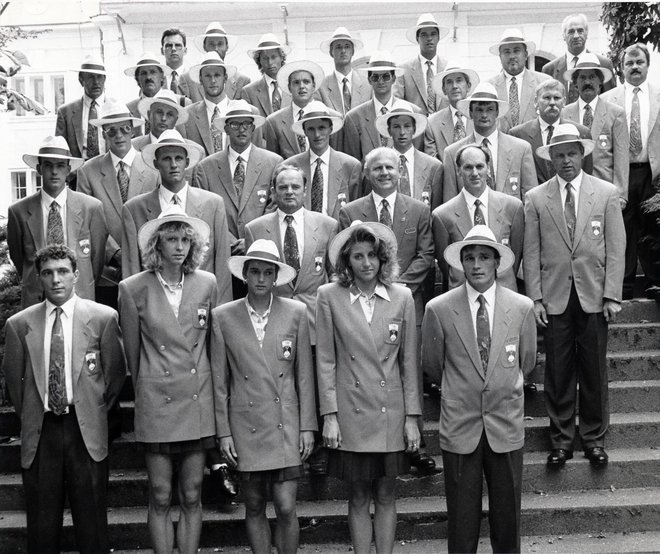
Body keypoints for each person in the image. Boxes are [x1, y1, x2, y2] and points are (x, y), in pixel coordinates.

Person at [3, 244, 126, 554]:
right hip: (41, 430)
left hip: (85, 428)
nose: (55, 280)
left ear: (76, 275)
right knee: (42, 526)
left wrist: (93, 408)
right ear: (39, 278)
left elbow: (113, 377)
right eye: (47, 273)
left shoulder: (103, 318)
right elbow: (16, 387)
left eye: (62, 272)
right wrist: (34, 412)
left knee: (93, 524)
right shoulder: (20, 325)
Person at [422, 225, 537, 553]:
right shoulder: (440, 309)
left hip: (505, 421)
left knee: (508, 518)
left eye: (484, 257)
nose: (476, 264)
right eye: (469, 257)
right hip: (461, 424)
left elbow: (526, 361)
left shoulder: (521, 307)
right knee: (461, 521)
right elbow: (433, 364)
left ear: (497, 262)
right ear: (459, 262)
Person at [523, 124, 625, 467]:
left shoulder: (606, 192)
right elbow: (531, 251)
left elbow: (616, 247)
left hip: (594, 295)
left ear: (583, 154)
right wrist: (536, 298)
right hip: (555, 297)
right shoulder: (536, 198)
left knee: (594, 369)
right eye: (559, 154)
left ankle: (593, 437)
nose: (566, 160)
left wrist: (612, 295)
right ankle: (562, 439)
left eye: (572, 153)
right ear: (550, 157)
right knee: (558, 371)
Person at [316, 221, 421, 554]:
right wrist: (329, 415)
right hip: (351, 411)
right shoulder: (329, 297)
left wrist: (412, 418)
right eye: (358, 256)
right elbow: (326, 361)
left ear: (383, 258)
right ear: (347, 261)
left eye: (372, 255)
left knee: (387, 494)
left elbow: (409, 363)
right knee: (359, 494)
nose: (366, 263)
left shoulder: (402, 297)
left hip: (390, 412)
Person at [119, 206, 217, 554]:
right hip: (157, 402)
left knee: (191, 492)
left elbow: (212, 345)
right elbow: (133, 354)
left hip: (196, 399)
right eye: (171, 239)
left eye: (185, 240)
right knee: (160, 493)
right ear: (156, 246)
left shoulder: (207, 283)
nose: (179, 247)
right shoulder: (133, 288)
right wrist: (151, 385)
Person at [212, 239, 316, 554]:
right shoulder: (223, 316)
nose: (260, 279)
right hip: (246, 423)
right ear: (245, 275)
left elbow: (304, 375)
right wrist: (224, 432)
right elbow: (220, 380)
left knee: (285, 506)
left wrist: (307, 426)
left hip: (285, 421)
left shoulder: (296, 312)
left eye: (267, 272)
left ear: (275, 277)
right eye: (254, 271)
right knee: (254, 504)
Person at [338, 147, 434, 474]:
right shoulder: (351, 212)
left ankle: (416, 443)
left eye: (390, 168)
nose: (384, 173)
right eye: (376, 168)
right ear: (367, 173)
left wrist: (393, 285)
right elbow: (346, 258)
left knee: (408, 366)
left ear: (400, 171)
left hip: (406, 302)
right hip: (361, 304)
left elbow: (425, 254)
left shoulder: (419, 210)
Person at [245, 164, 338, 474]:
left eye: (295, 187)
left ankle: (318, 449)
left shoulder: (326, 225)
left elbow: (333, 274)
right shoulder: (256, 228)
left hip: (315, 316)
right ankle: (284, 444)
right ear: (273, 191)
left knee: (314, 380)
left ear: (304, 189)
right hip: (275, 315)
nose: (288, 192)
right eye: (282, 187)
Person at [121, 129, 232, 304]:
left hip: (200, 306)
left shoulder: (212, 204)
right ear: (156, 163)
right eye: (166, 158)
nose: (173, 165)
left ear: (187, 162)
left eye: (178, 158)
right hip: (155, 308)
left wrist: (220, 314)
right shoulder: (135, 209)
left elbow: (222, 268)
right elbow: (131, 270)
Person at [8, 135, 107, 308]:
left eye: (60, 166)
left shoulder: (91, 208)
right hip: (37, 300)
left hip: (80, 298)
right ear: (39, 169)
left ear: (69, 170)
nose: (54, 172)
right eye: (48, 165)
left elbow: (96, 260)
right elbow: (19, 259)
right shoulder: (19, 212)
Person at [77, 99, 158, 308]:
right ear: (103, 133)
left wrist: (138, 254)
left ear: (132, 130)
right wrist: (116, 255)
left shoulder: (153, 168)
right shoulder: (88, 171)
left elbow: (159, 216)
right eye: (111, 131)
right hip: (108, 273)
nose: (119, 135)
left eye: (124, 128)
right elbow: (86, 223)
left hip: (147, 265)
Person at [601, 42, 660, 300]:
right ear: (621, 68)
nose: (635, 67)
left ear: (648, 65)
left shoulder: (659, 95)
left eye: (640, 62)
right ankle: (623, 288)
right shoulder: (608, 100)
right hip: (621, 173)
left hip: (652, 173)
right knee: (622, 228)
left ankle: (654, 283)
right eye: (629, 63)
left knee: (651, 227)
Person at [193, 99, 283, 261]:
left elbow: (275, 207)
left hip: (262, 252)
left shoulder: (273, 163)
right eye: (235, 124)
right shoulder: (206, 168)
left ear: (253, 128)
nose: (241, 129)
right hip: (222, 253)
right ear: (226, 128)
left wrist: (251, 239)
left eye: (247, 124)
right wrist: (232, 243)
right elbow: (203, 213)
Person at [432, 144, 523, 292]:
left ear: (488, 168)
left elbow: (515, 255)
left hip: (504, 293)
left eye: (479, 166)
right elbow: (446, 263)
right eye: (468, 167)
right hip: (461, 294)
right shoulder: (442, 215)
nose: (474, 173)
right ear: (458, 171)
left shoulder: (512, 207)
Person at [442, 82, 537, 202]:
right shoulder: (453, 153)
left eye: (490, 109)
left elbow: (530, 200)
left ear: (497, 112)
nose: (484, 115)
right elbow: (450, 204)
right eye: (479, 110)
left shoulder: (521, 149)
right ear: (470, 113)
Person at [561, 53, 629, 205]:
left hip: (605, 189)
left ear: (600, 82)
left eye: (592, 77)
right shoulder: (564, 114)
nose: (587, 82)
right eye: (582, 78)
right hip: (573, 190)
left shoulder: (616, 113)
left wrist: (621, 194)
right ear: (575, 83)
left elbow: (621, 157)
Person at [341, 51, 422, 162]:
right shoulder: (354, 117)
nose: (381, 81)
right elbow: (353, 164)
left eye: (386, 76)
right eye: (375, 77)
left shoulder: (413, 112)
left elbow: (418, 158)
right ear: (369, 80)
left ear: (394, 78)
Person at [286, 100, 362, 219]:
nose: (317, 135)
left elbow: (356, 208)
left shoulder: (350, 166)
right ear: (304, 131)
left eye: (321, 128)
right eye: (311, 129)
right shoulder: (292, 166)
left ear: (330, 129)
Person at [509, 79, 593, 185]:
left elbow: (587, 174)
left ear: (564, 102)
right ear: (536, 102)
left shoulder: (581, 133)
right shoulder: (518, 135)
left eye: (557, 98)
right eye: (547, 97)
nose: (552, 102)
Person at [375, 101, 443, 210]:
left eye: (407, 126)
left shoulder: (433, 166)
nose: (402, 132)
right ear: (389, 130)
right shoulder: (379, 165)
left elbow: (436, 210)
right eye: (396, 127)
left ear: (414, 129)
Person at [541, 13, 615, 103]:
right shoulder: (549, 69)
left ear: (587, 33)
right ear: (563, 36)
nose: (576, 36)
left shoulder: (603, 64)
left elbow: (610, 100)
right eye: (571, 32)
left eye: (580, 31)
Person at [487, 28, 551, 132]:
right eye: (507, 52)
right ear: (500, 56)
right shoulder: (489, 87)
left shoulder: (544, 83)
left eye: (516, 51)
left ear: (525, 54)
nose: (512, 56)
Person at [264, 60, 325, 160]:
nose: (301, 86)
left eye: (306, 82)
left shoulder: (330, 116)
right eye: (296, 82)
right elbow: (273, 162)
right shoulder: (274, 121)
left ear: (314, 86)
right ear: (289, 87)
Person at [181, 51, 236, 156]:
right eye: (207, 76)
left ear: (225, 78)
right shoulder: (187, 116)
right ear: (200, 79)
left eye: (217, 75)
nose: (213, 80)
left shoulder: (244, 112)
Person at [394, 13, 449, 115]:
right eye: (424, 35)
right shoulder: (404, 69)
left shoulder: (448, 68)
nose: (429, 38)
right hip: (416, 127)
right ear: (417, 38)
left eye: (433, 34)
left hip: (443, 128)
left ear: (438, 37)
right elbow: (397, 102)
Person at [124, 52, 191, 136]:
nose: (148, 77)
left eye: (153, 72)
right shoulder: (128, 109)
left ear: (162, 76)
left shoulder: (182, 103)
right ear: (137, 79)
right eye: (143, 73)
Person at [423, 61, 478, 161]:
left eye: (459, 80)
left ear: (468, 86)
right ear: (444, 89)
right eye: (449, 82)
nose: (454, 86)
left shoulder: (480, 117)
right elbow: (432, 163)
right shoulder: (432, 123)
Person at [55, 55, 107, 161]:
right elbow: (60, 149)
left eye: (99, 77)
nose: (96, 82)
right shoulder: (65, 112)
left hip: (109, 173)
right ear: (81, 80)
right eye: (91, 77)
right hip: (78, 174)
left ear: (104, 79)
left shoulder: (116, 109)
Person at [191, 21, 251, 101]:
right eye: (211, 44)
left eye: (220, 44)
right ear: (204, 46)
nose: (216, 49)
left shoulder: (242, 81)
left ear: (227, 47)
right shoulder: (190, 81)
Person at [317, 27, 370, 116]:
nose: (343, 51)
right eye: (338, 47)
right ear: (331, 52)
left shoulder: (367, 85)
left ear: (353, 51)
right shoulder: (321, 87)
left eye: (347, 47)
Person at [241, 33, 291, 118]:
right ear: (259, 60)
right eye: (265, 58)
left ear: (281, 57)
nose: (270, 62)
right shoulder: (249, 92)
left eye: (274, 57)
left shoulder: (293, 87)